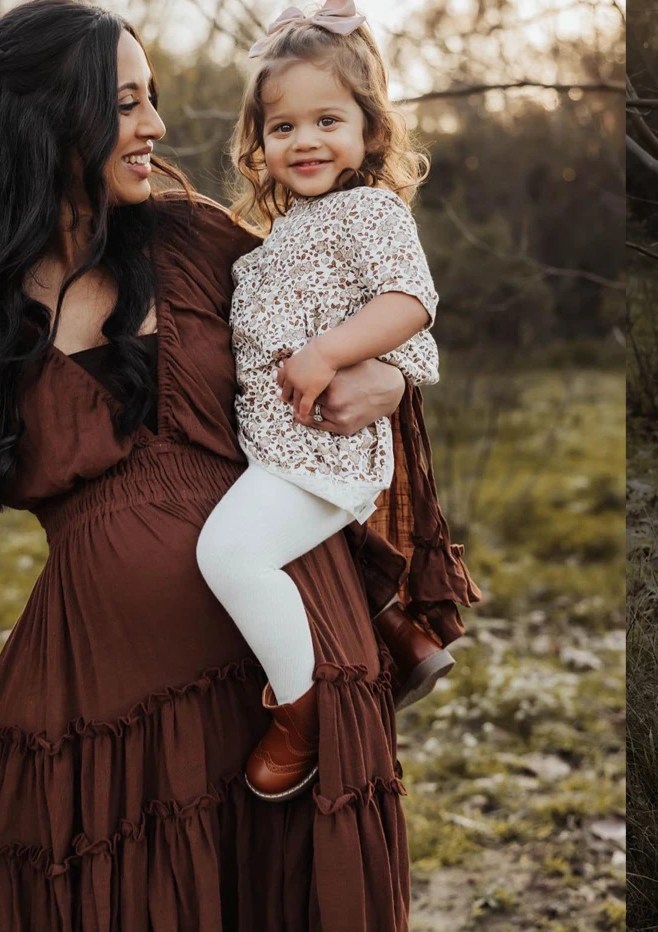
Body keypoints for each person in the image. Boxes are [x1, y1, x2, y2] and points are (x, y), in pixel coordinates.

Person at [0, 2, 478, 932]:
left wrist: (394, 380)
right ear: (49, 121)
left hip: (289, 675)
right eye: (125, 105)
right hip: (102, 705)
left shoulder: (192, 242)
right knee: (21, 927)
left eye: (153, 102)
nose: (154, 128)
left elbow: (361, 317)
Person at [196, 0, 457, 803]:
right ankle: (390, 623)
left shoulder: (369, 211)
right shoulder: (281, 237)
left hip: (325, 452)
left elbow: (410, 303)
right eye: (283, 128)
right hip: (282, 453)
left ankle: (299, 714)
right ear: (259, 144)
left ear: (370, 131)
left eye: (326, 120)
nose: (304, 141)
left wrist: (328, 351)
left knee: (228, 556)